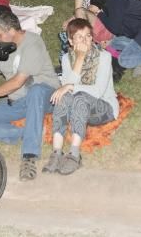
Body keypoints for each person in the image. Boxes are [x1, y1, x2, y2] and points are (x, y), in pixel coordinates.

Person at [0, 11, 60, 181]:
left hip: (46, 97)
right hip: (17, 102)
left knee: (36, 90)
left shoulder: (33, 43)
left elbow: (18, 82)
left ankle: (29, 156)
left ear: (12, 30)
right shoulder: (4, 47)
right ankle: (21, 133)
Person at [43, 18, 118, 176]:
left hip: (104, 107)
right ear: (70, 41)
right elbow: (67, 89)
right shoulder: (66, 59)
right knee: (64, 97)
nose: (85, 40)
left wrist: (70, 87)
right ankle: (56, 153)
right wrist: (80, 59)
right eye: (79, 37)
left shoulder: (104, 57)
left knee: (79, 96)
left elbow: (97, 91)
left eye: (88, 36)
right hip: (78, 106)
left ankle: (75, 154)